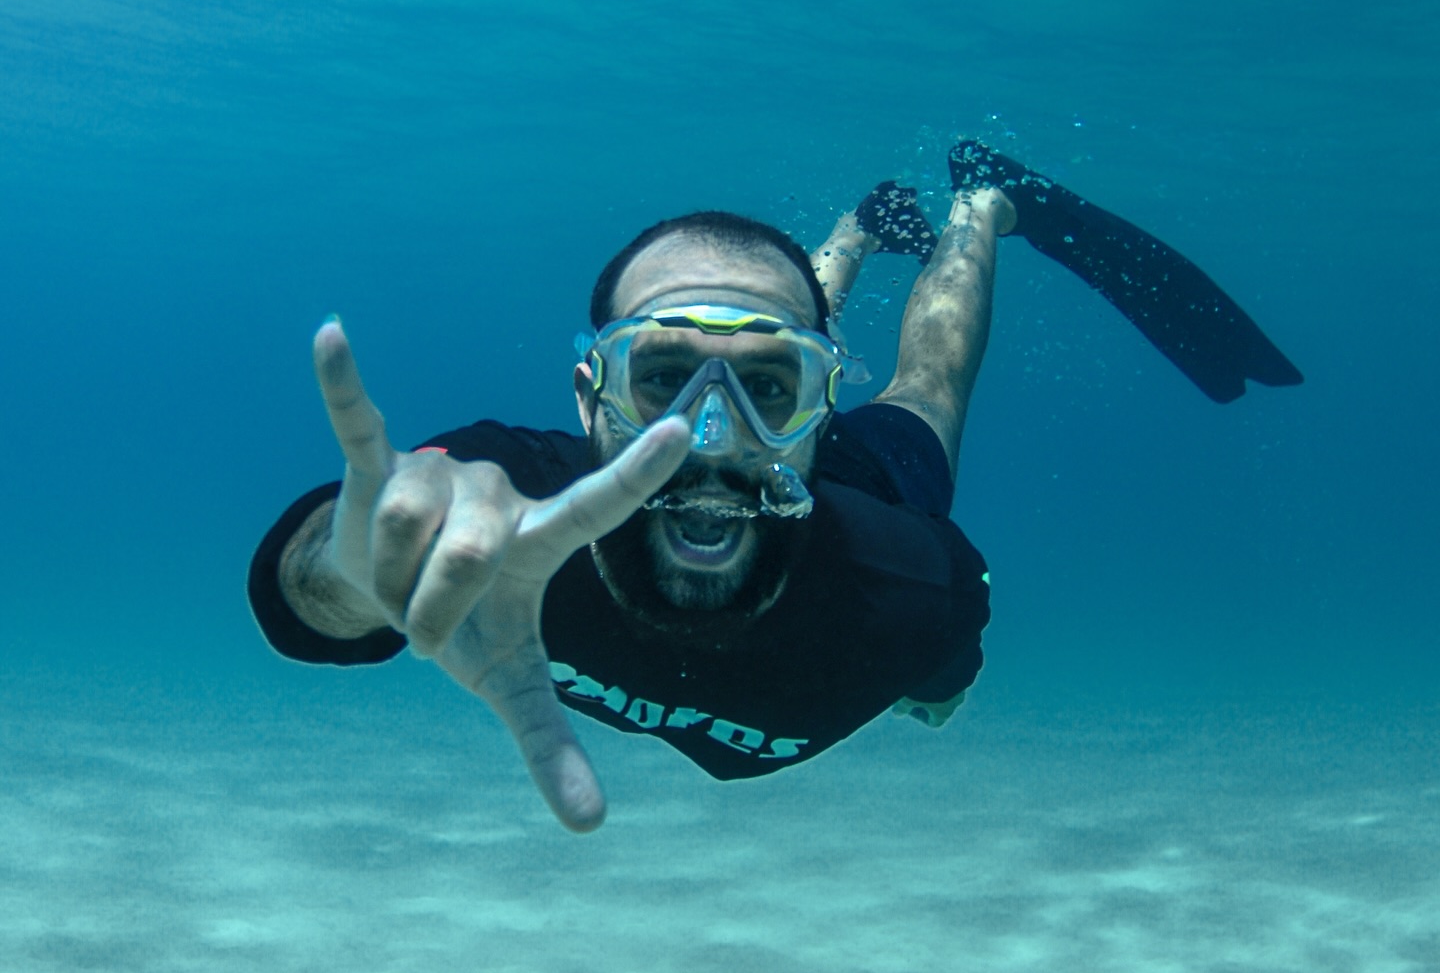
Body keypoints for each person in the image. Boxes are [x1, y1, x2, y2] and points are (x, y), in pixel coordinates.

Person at [248, 140, 1300, 832]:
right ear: (586, 400)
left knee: (927, 387)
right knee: (763, 321)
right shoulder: (509, 506)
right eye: (658, 379)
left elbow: (946, 663)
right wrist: (349, 565)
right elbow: (324, 575)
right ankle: (843, 242)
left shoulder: (908, 577)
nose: (710, 436)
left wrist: (933, 689)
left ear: (819, 406)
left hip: (850, 482)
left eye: (770, 389)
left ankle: (981, 209)